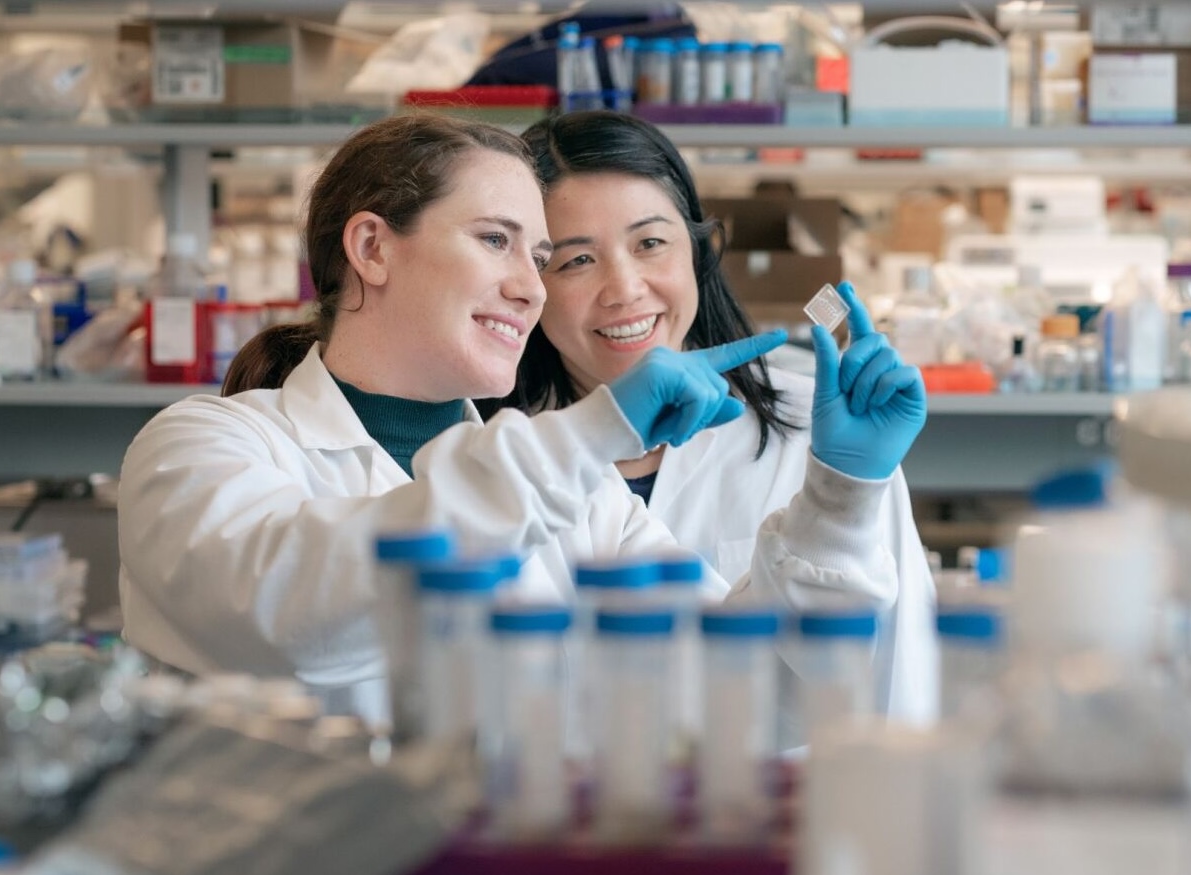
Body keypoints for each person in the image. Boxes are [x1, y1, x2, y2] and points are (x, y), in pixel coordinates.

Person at [115, 113, 927, 719]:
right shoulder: (202, 444)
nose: (531, 288)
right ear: (371, 248)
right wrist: (592, 435)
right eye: (497, 241)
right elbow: (288, 614)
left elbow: (751, 694)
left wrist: (842, 493)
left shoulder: (583, 498)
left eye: (539, 259)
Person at [492, 110, 938, 720]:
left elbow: (902, 677)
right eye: (575, 261)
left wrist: (842, 493)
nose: (624, 289)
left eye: (650, 243)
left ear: (698, 253)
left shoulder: (818, 436)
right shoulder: (497, 457)